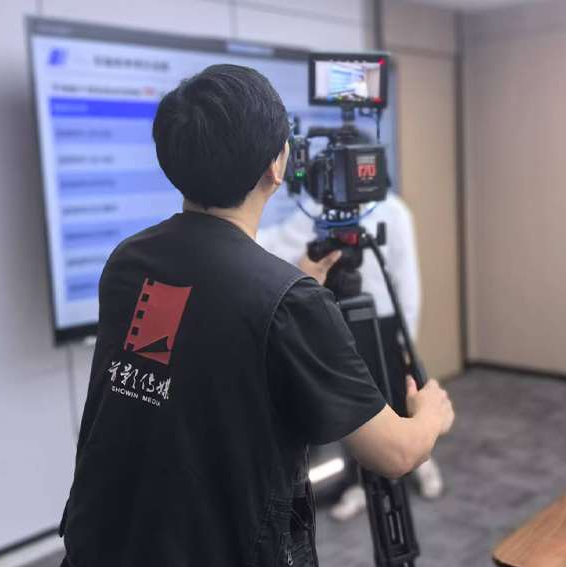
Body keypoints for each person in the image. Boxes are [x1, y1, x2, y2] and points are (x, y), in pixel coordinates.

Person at [57, 64, 455, 567]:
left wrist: (295, 288)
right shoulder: (289, 302)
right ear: (277, 166)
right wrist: (432, 413)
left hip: (104, 543)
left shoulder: (128, 261)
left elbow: (204, 348)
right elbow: (395, 454)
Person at [257, 157, 445, 524]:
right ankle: (359, 482)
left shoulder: (394, 211)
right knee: (354, 406)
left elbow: (408, 283)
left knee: (395, 396)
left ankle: (422, 460)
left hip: (385, 322)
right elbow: (279, 241)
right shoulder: (319, 209)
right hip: (340, 319)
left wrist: (407, 339)